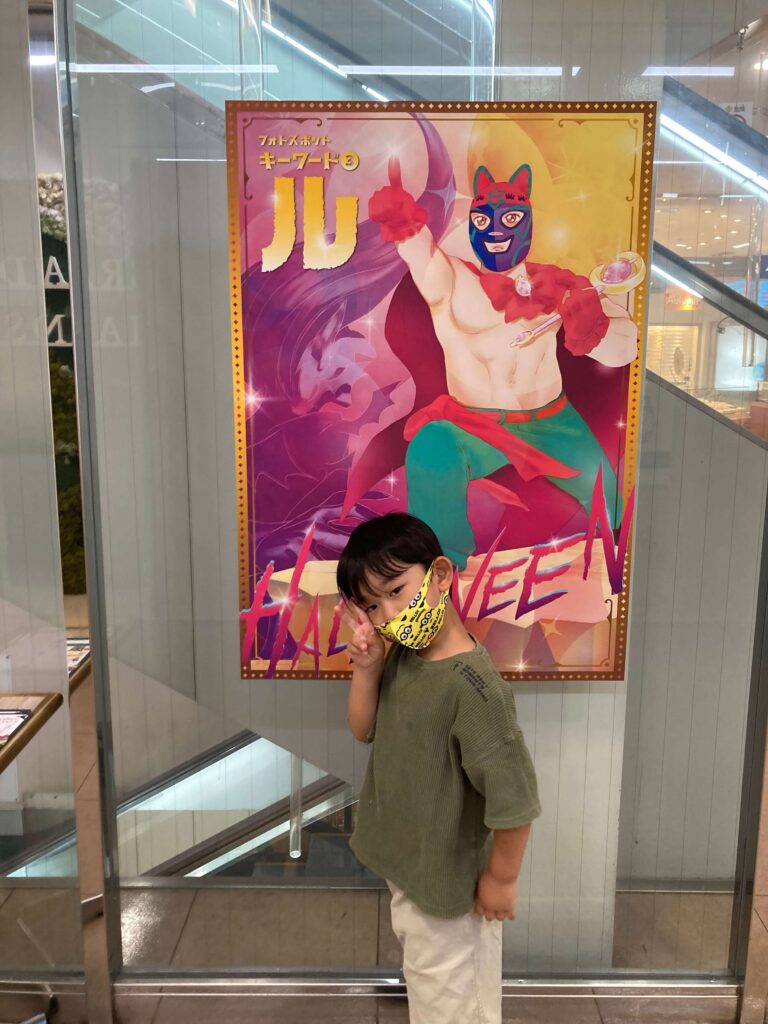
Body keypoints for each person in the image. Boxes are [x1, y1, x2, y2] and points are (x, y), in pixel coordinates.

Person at [368, 159, 638, 568]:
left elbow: (626, 348)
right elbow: (418, 251)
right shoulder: (451, 279)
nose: (495, 231)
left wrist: (594, 327)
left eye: (510, 218)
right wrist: (401, 220)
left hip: (553, 422)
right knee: (431, 448)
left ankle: (612, 571)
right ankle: (440, 571)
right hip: (474, 424)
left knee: (611, 503)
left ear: (527, 221)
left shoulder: (558, 285)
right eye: (483, 220)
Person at [334, 512, 541, 1024]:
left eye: (397, 591)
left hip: (453, 892)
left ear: (440, 575)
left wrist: (501, 878)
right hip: (414, 872)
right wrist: (368, 667)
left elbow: (515, 800)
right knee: (430, 997)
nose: (389, 614)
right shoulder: (404, 656)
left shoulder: (475, 689)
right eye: (372, 605)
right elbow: (363, 728)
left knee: (454, 1008)